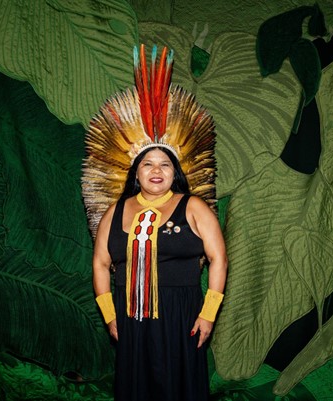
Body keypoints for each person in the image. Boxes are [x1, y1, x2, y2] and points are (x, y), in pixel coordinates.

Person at [82, 44, 227, 401]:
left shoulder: (192, 206)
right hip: (131, 320)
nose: (156, 170)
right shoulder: (116, 211)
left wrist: (208, 315)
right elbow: (101, 264)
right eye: (148, 164)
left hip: (182, 317)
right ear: (136, 172)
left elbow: (219, 259)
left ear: (175, 171)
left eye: (164, 164)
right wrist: (110, 316)